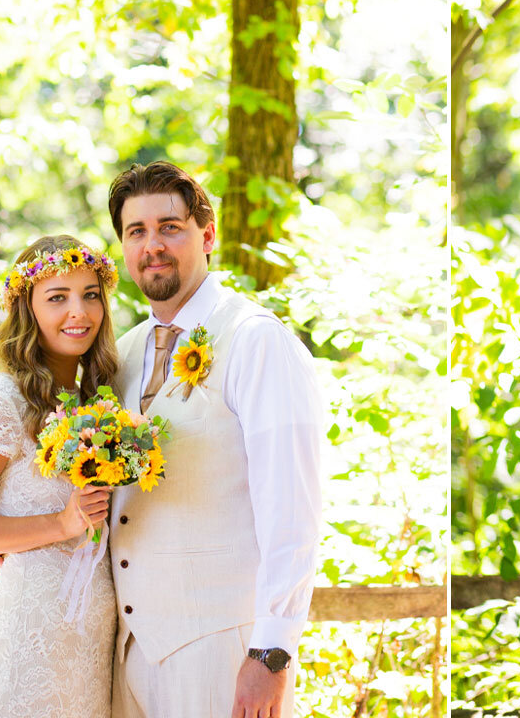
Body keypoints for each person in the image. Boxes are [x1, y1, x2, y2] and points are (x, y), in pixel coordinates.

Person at [106, 161, 323, 718]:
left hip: (221, 651)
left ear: (207, 236)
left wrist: (271, 653)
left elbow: (293, 511)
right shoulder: (122, 355)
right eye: (137, 232)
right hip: (126, 652)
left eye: (170, 227)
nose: (153, 245)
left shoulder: (255, 340)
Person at [0, 235, 120, 717]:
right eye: (57, 297)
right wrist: (59, 524)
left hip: (90, 654)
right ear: (27, 308)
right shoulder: (2, 400)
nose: (78, 312)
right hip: (22, 655)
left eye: (90, 294)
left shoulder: (98, 401)